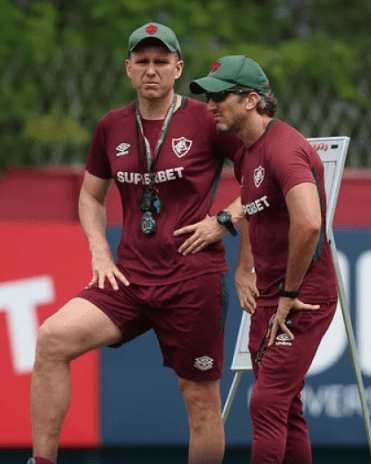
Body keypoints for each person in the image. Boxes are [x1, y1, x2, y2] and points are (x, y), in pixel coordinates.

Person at [29, 23, 244, 464]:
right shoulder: (111, 125)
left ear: (178, 68)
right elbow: (90, 196)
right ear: (128, 68)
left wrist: (224, 220)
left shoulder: (206, 120)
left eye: (161, 62)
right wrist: (99, 250)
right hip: (128, 280)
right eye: (142, 62)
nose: (151, 70)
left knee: (199, 399)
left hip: (192, 280)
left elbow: (264, 178)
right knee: (52, 339)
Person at [190, 55, 338, 464]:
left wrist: (289, 293)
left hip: (302, 298)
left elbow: (309, 224)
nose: (210, 105)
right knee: (286, 408)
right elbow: (255, 211)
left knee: (266, 402)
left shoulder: (284, 148)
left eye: (220, 96)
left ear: (251, 99)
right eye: (208, 97)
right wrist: (243, 269)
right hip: (270, 297)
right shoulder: (245, 153)